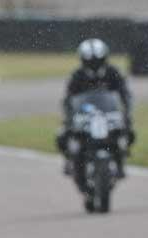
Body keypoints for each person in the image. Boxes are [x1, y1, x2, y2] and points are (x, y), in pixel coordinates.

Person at [57, 38, 134, 177]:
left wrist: (126, 112)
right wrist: (69, 117)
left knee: (129, 132)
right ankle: (69, 160)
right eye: (90, 62)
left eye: (97, 61)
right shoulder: (77, 76)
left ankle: (120, 161)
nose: (94, 65)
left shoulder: (112, 73)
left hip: (108, 113)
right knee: (62, 136)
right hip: (85, 115)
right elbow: (68, 99)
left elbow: (125, 94)